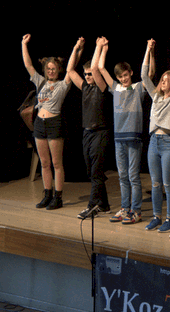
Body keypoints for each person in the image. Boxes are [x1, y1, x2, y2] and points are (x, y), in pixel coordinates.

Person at [97, 41, 148, 225]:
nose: (124, 78)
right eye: (120, 76)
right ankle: (125, 208)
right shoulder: (116, 88)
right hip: (119, 138)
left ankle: (136, 211)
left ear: (131, 73)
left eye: (126, 75)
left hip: (133, 138)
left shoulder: (138, 88)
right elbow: (100, 68)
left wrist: (149, 50)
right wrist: (103, 49)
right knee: (122, 176)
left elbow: (148, 74)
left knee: (133, 176)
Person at [21, 34, 72, 210]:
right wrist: (23, 44)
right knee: (44, 163)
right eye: (48, 68)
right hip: (39, 124)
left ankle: (58, 197)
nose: (51, 71)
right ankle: (47, 194)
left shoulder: (62, 85)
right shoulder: (40, 82)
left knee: (56, 163)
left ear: (58, 69)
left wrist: (77, 49)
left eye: (54, 69)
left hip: (54, 124)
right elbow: (28, 65)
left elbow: (71, 69)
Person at [142, 38, 170, 233]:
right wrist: (148, 49)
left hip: (169, 143)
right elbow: (144, 75)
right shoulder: (156, 97)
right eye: (162, 80)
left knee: (168, 184)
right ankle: (156, 217)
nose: (163, 82)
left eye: (167, 81)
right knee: (155, 184)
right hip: (154, 142)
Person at [67, 37, 112, 220]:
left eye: (90, 74)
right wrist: (76, 48)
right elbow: (70, 71)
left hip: (100, 132)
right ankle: (104, 204)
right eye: (85, 74)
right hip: (87, 133)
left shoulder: (102, 87)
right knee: (92, 172)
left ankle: (92, 206)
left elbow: (95, 68)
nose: (87, 76)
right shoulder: (85, 87)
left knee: (96, 172)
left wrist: (98, 47)